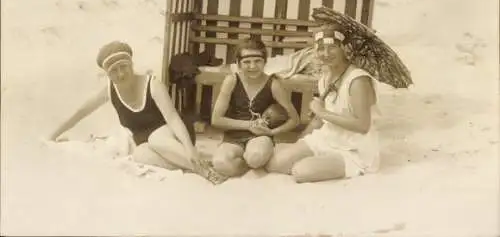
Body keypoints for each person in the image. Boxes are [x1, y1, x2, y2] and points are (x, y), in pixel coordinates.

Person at [46, 41, 221, 182]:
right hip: (145, 142)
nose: (121, 74)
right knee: (140, 155)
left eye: (124, 66)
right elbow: (80, 112)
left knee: (157, 139)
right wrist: (51, 136)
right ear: (107, 74)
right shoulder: (109, 90)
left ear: (131, 64)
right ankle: (193, 165)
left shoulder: (152, 84)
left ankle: (204, 171)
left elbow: (173, 118)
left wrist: (189, 148)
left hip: (173, 136)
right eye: (114, 71)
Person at [266, 29, 380, 182]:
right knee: (275, 164)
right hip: (328, 138)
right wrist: (300, 142)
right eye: (320, 48)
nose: (326, 53)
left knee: (300, 171)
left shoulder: (358, 81)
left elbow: (362, 125)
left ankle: (325, 163)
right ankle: (318, 160)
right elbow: (318, 121)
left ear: (344, 48)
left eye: (332, 47)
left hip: (353, 148)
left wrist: (323, 113)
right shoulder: (325, 78)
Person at [210, 38, 300, 177]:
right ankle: (251, 166)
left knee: (255, 157)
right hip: (234, 136)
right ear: (239, 64)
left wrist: (272, 133)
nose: (252, 66)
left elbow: (294, 119)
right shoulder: (232, 80)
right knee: (221, 163)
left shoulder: (273, 84)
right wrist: (249, 125)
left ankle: (256, 161)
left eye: (258, 61)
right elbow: (216, 120)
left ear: (265, 62)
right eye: (246, 62)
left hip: (260, 137)